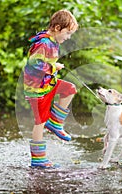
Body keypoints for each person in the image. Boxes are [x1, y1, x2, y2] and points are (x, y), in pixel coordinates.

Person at [23, 10, 78, 168]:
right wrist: (54, 66)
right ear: (57, 27)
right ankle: (38, 159)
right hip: (37, 88)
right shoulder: (44, 43)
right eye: (67, 33)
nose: (67, 38)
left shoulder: (53, 41)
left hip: (48, 83)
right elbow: (34, 63)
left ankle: (55, 122)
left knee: (69, 89)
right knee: (40, 121)